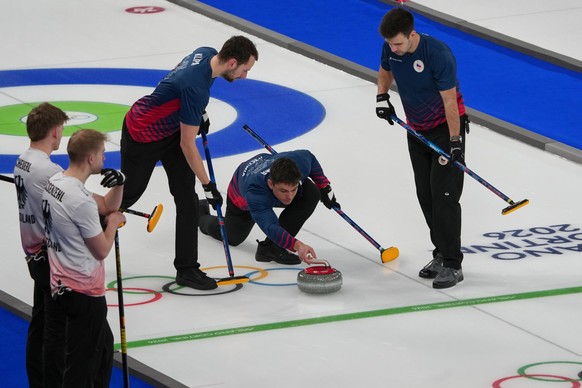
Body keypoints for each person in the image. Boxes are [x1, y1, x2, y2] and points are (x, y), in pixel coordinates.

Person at [120, 35, 258, 290]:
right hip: (143, 133)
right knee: (127, 196)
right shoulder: (196, 89)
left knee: (186, 199)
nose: (245, 76)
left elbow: (176, 85)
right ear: (231, 62)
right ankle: (74, 233)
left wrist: (196, 113)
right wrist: (209, 186)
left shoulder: (206, 53)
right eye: (244, 70)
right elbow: (187, 144)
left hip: (170, 130)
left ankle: (187, 269)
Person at [376, 8, 469, 289]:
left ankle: (453, 264)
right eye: (391, 44)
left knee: (444, 196)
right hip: (416, 129)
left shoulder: (437, 54)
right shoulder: (390, 47)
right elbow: (385, 70)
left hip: (444, 129)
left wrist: (455, 144)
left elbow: (450, 102)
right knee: (426, 195)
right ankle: (440, 253)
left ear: (412, 35)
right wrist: (381, 97)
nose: (394, 49)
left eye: (399, 44)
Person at [43, 129, 126, 387]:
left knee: (102, 351)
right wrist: (112, 224)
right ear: (91, 158)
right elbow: (101, 248)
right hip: (84, 292)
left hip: (61, 283)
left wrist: (120, 182)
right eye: (102, 153)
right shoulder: (80, 201)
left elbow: (106, 205)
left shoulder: (57, 182)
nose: (104, 157)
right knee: (80, 370)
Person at [199, 150, 340, 263]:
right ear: (271, 184)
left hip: (267, 172)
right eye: (284, 191)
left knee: (311, 193)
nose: (290, 196)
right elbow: (270, 227)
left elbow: (310, 157)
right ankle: (200, 214)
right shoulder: (255, 195)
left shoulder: (300, 161)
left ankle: (271, 249)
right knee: (232, 237)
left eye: (294, 189)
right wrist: (298, 245)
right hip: (241, 197)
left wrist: (324, 187)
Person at [13, 102, 68, 387]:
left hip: (34, 252)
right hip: (48, 257)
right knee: (56, 329)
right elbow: (74, 205)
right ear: (55, 132)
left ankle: (38, 380)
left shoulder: (23, 160)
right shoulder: (49, 169)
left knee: (41, 321)